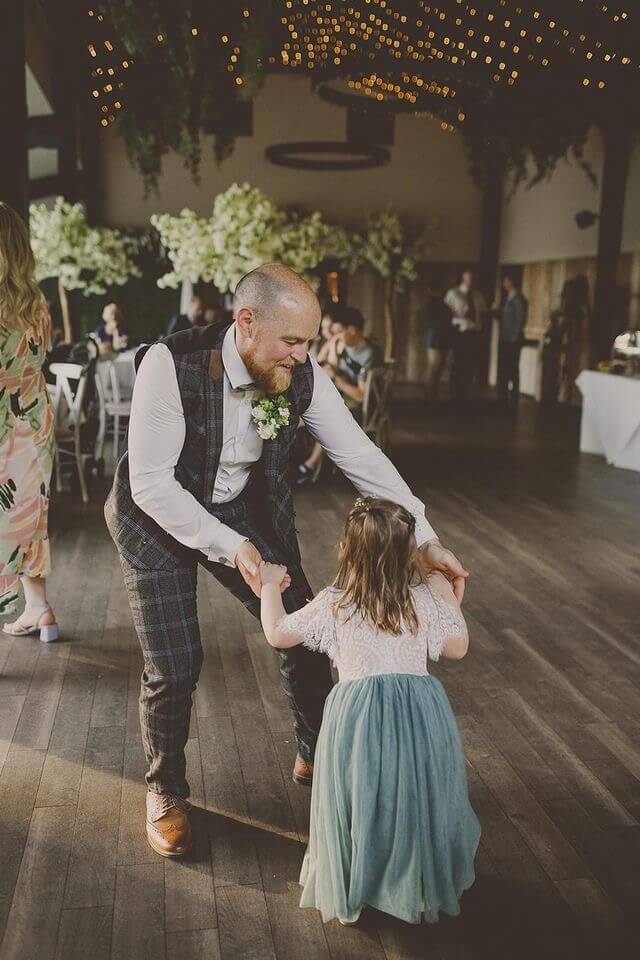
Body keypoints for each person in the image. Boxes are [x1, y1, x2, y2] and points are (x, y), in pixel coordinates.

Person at [104, 263, 468, 859]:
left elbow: (361, 456)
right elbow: (150, 485)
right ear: (246, 322)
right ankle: (166, 789)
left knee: (302, 626)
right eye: (293, 341)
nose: (304, 354)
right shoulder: (169, 366)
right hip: (157, 519)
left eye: (308, 341)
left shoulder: (302, 374)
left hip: (244, 510)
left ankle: (316, 748)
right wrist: (232, 548)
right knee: (174, 663)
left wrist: (425, 538)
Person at [259, 497, 480, 926]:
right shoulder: (422, 599)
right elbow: (458, 647)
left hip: (356, 721)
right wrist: (447, 597)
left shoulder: (334, 603)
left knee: (359, 798)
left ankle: (356, 881)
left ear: (345, 549)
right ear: (408, 555)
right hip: (417, 716)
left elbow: (277, 633)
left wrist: (269, 586)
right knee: (410, 798)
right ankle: (412, 884)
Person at [0, 202, 59, 641]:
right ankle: (39, 610)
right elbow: (43, 355)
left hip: (4, 426)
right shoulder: (36, 301)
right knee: (28, 521)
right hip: (36, 424)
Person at [296, 306, 378, 487]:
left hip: (358, 406)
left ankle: (310, 464)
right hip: (339, 398)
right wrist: (332, 344)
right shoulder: (343, 346)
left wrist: (337, 378)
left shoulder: (368, 354)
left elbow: (360, 396)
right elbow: (324, 364)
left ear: (352, 330)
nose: (336, 336)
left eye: (339, 332)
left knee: (329, 416)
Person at [445, 270, 487, 407]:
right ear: (463, 279)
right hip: (460, 332)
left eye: (473, 278)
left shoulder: (478, 295)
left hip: (474, 333)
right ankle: (454, 393)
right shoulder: (453, 293)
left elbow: (483, 313)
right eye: (468, 278)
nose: (471, 281)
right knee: (458, 363)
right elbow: (446, 312)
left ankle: (465, 393)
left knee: (470, 364)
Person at [497, 272, 528, 408]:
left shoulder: (518, 298)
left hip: (513, 340)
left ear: (511, 282)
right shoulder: (508, 298)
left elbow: (520, 320)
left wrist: (514, 339)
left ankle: (513, 399)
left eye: (505, 281)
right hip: (505, 337)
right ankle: (502, 398)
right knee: (504, 368)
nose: (504, 284)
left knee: (513, 369)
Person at [423, 283, 453, 402]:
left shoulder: (438, 306)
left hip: (438, 338)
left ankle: (432, 393)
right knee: (434, 366)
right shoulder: (434, 306)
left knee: (437, 367)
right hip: (435, 338)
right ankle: (430, 394)